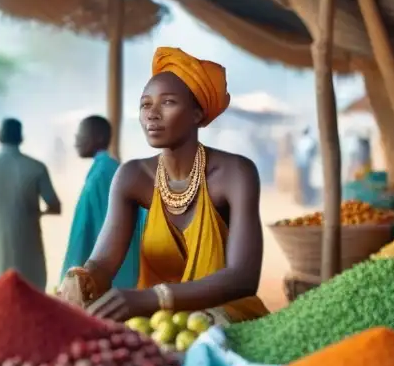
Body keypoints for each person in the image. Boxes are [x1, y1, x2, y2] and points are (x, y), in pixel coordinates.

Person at [58, 46, 269, 324]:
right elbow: (103, 263)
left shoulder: (235, 173)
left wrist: (152, 298)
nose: (152, 114)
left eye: (167, 102)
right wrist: (82, 279)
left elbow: (243, 278)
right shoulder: (132, 176)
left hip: (226, 321)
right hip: (159, 323)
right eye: (146, 104)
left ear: (197, 113)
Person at [0, 118, 61, 290]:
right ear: (21, 138)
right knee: (32, 297)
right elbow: (55, 206)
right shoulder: (36, 167)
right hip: (29, 246)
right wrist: (37, 213)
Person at [61, 116, 142, 289]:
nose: (76, 141)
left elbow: (85, 230)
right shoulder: (110, 168)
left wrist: (72, 273)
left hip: (107, 271)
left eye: (81, 135)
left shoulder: (101, 175)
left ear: (99, 137)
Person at [294, 127, 317, 205]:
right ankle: (308, 199)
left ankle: (305, 200)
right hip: (308, 165)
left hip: (301, 165)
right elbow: (313, 153)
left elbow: (297, 154)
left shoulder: (300, 141)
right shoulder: (310, 141)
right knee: (308, 183)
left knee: (303, 182)